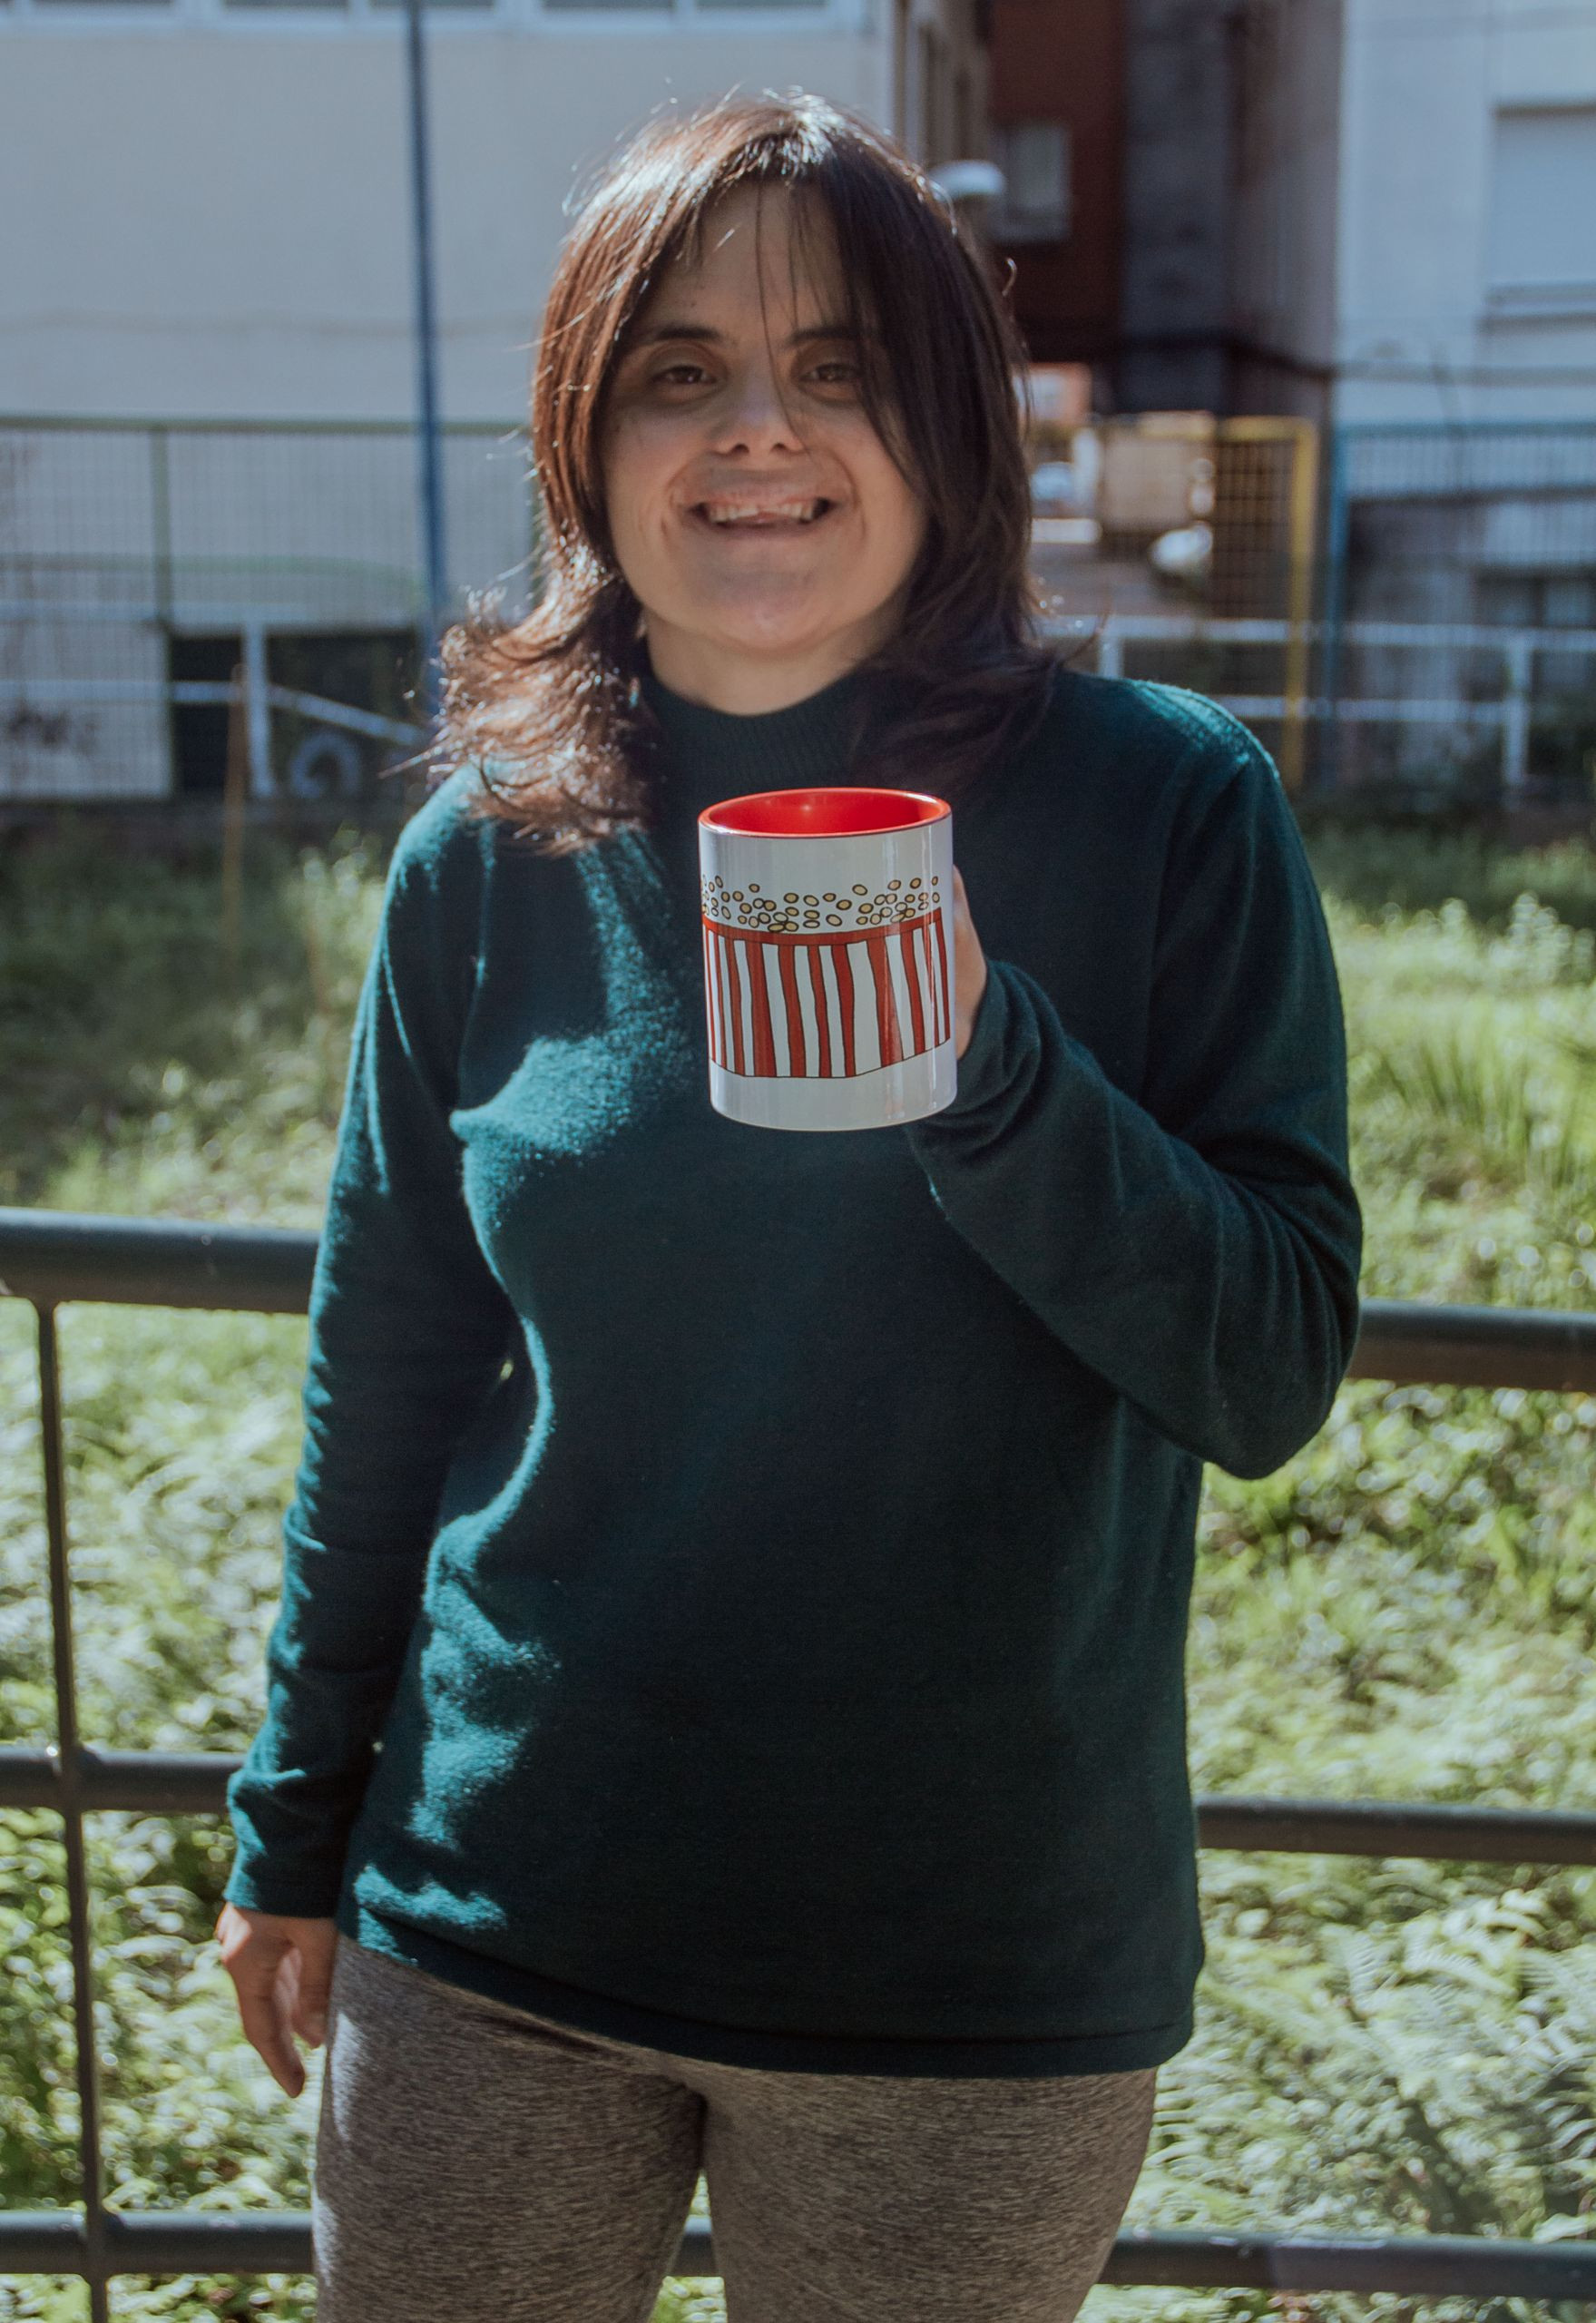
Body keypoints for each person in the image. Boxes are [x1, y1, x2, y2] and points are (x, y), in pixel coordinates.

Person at [214, 92, 1362, 2323]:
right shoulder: (492, 851)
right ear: (590, 436)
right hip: (493, 1928)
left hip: (968, 1974)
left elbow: (1268, 1361)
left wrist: (987, 1061)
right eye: (681, 370)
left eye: (836, 367)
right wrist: (293, 1828)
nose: (758, 430)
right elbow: (391, 1370)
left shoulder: (1169, 813)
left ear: (943, 428)